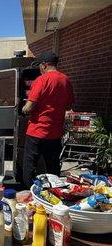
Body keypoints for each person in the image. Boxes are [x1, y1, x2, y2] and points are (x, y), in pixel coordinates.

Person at [22, 51, 74, 189]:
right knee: (53, 165)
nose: (39, 69)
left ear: (44, 65)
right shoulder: (66, 80)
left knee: (30, 165)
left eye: (40, 66)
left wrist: (23, 109)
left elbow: (29, 106)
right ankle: (54, 193)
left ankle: (30, 194)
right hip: (55, 133)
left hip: (37, 132)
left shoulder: (41, 80)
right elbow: (68, 105)